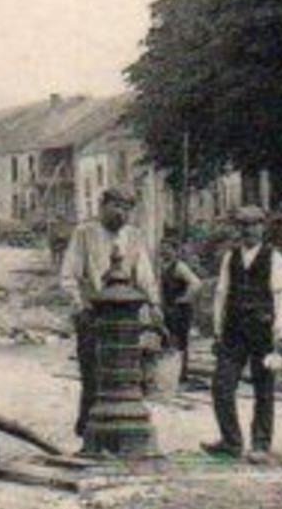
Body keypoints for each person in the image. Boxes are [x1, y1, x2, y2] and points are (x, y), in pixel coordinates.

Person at [59, 188, 158, 438]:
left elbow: (145, 276)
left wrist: (154, 307)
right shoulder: (85, 233)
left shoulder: (133, 236)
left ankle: (122, 431)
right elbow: (69, 276)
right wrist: (80, 306)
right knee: (93, 377)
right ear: (102, 206)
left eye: (127, 209)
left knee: (127, 377)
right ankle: (89, 431)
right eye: (117, 206)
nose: (121, 213)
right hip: (94, 314)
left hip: (125, 319)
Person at [202, 205, 282, 462]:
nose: (248, 230)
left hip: (263, 332)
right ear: (237, 229)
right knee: (221, 386)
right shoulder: (230, 257)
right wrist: (218, 329)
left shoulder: (274, 257)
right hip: (233, 332)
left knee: (264, 389)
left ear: (262, 227)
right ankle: (231, 442)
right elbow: (222, 293)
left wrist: (280, 331)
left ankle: (261, 445)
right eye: (243, 225)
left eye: (253, 225)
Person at [159, 238, 205, 380]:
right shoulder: (163, 266)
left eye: (168, 248)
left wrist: (184, 298)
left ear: (175, 251)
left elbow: (196, 283)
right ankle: (171, 372)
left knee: (180, 341)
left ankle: (180, 374)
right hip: (169, 309)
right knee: (168, 340)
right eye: (163, 248)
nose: (164, 251)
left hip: (180, 311)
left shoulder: (180, 267)